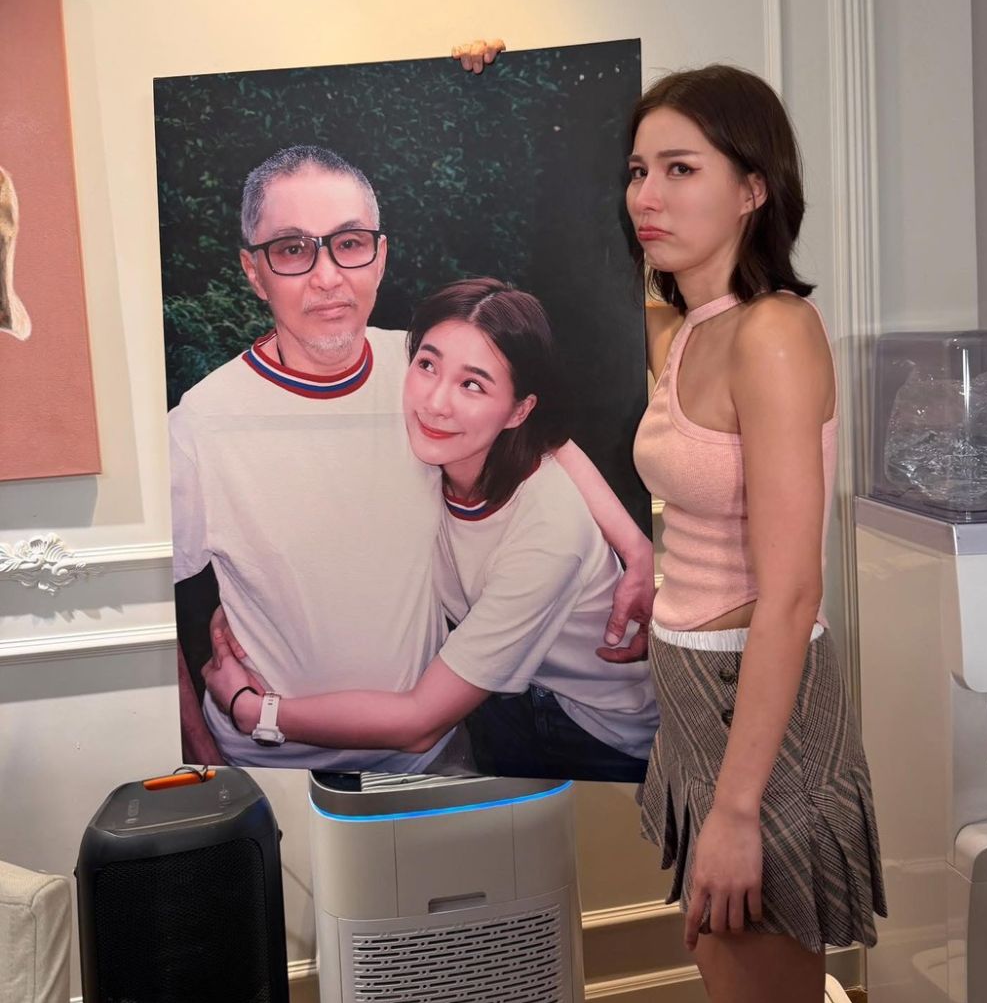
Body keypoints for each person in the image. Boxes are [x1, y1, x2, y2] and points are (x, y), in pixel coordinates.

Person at [455, 45, 886, 1003]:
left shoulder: (774, 332)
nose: (647, 195)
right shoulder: (687, 328)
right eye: (638, 170)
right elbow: (562, 263)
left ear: (754, 188)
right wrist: (492, 94)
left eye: (682, 168)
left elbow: (791, 593)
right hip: (692, 693)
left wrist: (736, 810)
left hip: (757, 703)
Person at [171, 144, 653, 771]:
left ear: (380, 256)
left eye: (348, 243)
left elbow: (542, 434)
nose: (326, 276)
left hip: (432, 757)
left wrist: (636, 549)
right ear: (253, 271)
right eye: (291, 249)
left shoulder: (420, 368)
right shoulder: (201, 426)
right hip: (268, 764)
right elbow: (139, 606)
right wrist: (200, 753)